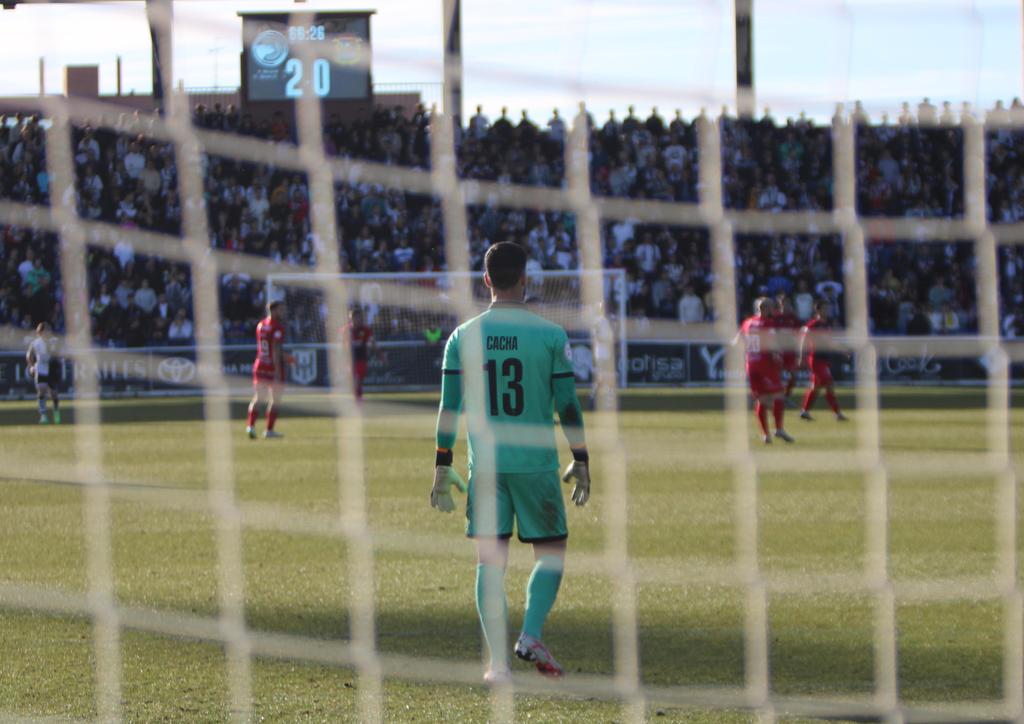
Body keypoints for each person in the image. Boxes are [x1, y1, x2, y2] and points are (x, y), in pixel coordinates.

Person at [431, 241, 591, 684]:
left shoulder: (463, 337)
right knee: (552, 553)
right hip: (537, 466)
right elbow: (569, 407)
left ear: (485, 281)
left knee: (489, 562)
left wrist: (442, 464)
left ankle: (497, 665)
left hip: (486, 468)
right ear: (525, 278)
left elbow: (449, 411)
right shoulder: (550, 335)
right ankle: (531, 635)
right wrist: (581, 458)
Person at [734, 297, 794, 444]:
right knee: (778, 395)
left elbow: (736, 342)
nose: (773, 310)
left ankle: (766, 435)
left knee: (762, 399)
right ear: (764, 309)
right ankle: (779, 429)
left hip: (751, 364)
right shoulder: (768, 324)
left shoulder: (747, 323)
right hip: (766, 365)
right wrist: (779, 358)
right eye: (771, 307)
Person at [246, 300, 293, 439]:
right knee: (275, 399)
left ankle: (250, 426)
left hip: (260, 364)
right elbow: (276, 350)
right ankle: (269, 430)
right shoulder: (278, 328)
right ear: (273, 310)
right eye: (280, 310)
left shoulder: (260, 325)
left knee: (258, 398)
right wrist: (278, 370)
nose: (283, 312)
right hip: (272, 367)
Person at [798, 301, 848, 422]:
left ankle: (804, 411)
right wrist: (801, 357)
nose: (827, 311)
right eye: (825, 309)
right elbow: (803, 341)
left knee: (816, 387)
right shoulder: (813, 325)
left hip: (824, 359)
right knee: (829, 385)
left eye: (828, 309)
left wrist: (842, 351)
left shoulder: (827, 325)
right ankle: (838, 413)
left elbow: (830, 342)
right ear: (818, 311)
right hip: (816, 359)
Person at [26, 322, 60, 424]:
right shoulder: (35, 343)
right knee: (42, 390)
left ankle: (56, 412)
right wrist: (32, 366)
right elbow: (29, 355)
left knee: (54, 394)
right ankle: (43, 415)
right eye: (44, 331)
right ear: (40, 332)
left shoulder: (54, 341)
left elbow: (59, 353)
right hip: (40, 369)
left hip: (51, 369)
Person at [343, 307, 377, 401]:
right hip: (350, 359)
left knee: (359, 380)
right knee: (355, 379)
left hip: (362, 358)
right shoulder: (346, 329)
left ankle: (357, 397)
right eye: (354, 317)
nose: (356, 319)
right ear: (350, 318)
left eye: (358, 317)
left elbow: (372, 341)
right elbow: (342, 342)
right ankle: (357, 399)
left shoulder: (365, 329)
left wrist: (372, 345)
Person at [773, 294, 801, 406]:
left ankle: (786, 397)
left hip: (790, 350)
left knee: (794, 375)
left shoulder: (793, 318)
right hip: (778, 350)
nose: (786, 305)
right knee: (776, 376)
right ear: (779, 304)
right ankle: (776, 398)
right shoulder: (774, 317)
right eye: (783, 302)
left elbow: (799, 333)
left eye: (788, 303)